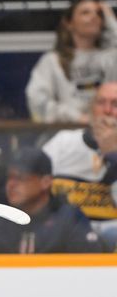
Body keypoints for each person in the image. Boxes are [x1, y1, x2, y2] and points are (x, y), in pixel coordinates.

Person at [0, 147, 103, 253]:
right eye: (9, 177)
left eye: (20, 177)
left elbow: (89, 270)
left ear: (46, 182)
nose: (11, 185)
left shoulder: (69, 218)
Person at [42, 81, 117, 248]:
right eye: (101, 102)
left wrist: (113, 154)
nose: (107, 111)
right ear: (91, 110)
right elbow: (33, 185)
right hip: (64, 238)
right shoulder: (63, 142)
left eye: (115, 104)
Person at [26, 0, 117, 123]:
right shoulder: (52, 61)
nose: (94, 17)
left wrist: (111, 21)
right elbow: (37, 100)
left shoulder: (110, 58)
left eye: (99, 13)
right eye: (85, 13)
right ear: (69, 23)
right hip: (65, 133)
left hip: (108, 135)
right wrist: (76, 118)